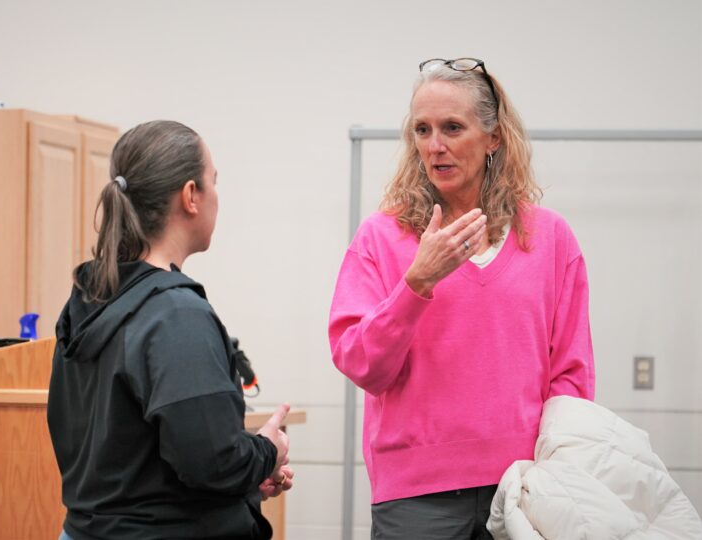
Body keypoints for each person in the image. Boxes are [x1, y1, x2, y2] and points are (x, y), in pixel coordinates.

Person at [328, 58, 594, 539]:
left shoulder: (551, 239)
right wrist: (417, 283)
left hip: (526, 490)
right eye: (422, 130)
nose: (435, 146)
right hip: (415, 499)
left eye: (452, 127)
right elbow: (360, 363)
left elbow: (571, 375)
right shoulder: (382, 237)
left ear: (493, 137)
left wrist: (556, 472)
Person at [47, 120, 293, 540]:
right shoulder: (175, 315)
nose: (218, 195)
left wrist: (247, 477)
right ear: (191, 196)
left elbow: (137, 461)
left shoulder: (90, 300)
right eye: (214, 181)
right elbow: (212, 462)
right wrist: (268, 450)